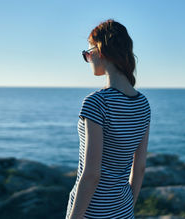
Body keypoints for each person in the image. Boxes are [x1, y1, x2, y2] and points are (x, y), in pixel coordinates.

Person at [66, 19, 151, 219]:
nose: (87, 58)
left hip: (91, 211)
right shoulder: (143, 104)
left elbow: (91, 174)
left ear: (100, 51)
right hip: (123, 210)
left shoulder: (97, 103)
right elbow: (139, 167)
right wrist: (128, 207)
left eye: (87, 53)